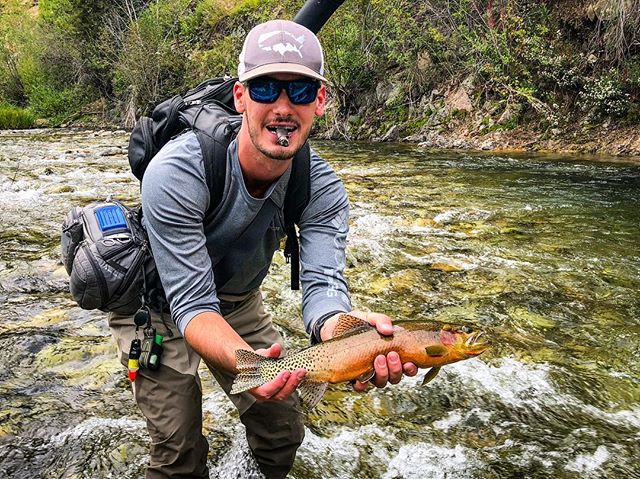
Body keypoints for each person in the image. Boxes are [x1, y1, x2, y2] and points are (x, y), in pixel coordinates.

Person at [109, 19, 418, 479]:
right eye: (266, 89)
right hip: (157, 305)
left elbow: (324, 287)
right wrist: (252, 366)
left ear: (320, 101)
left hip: (237, 301)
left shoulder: (322, 188)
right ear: (240, 97)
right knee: (179, 451)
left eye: (299, 92)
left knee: (282, 429)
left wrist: (347, 335)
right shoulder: (177, 170)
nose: (282, 107)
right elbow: (192, 306)